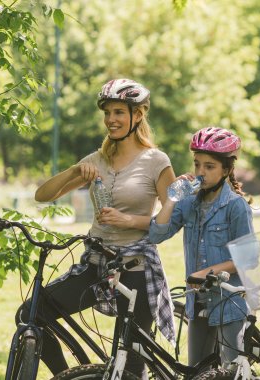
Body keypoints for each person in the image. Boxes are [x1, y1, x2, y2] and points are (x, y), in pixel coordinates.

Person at [18, 79, 177, 378]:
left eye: (119, 112)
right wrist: (75, 171)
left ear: (138, 115)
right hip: (95, 266)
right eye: (107, 112)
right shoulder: (97, 160)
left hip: (136, 269)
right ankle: (69, 377)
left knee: (130, 364)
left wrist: (130, 221)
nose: (111, 120)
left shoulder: (156, 161)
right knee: (30, 314)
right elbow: (43, 195)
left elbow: (172, 221)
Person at [149, 126, 254, 368]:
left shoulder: (235, 206)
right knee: (196, 370)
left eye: (209, 166)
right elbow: (156, 234)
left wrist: (205, 274)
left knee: (231, 370)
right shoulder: (188, 203)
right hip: (197, 303)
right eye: (197, 164)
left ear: (226, 170)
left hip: (228, 301)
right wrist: (172, 198)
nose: (200, 172)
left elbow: (248, 258)